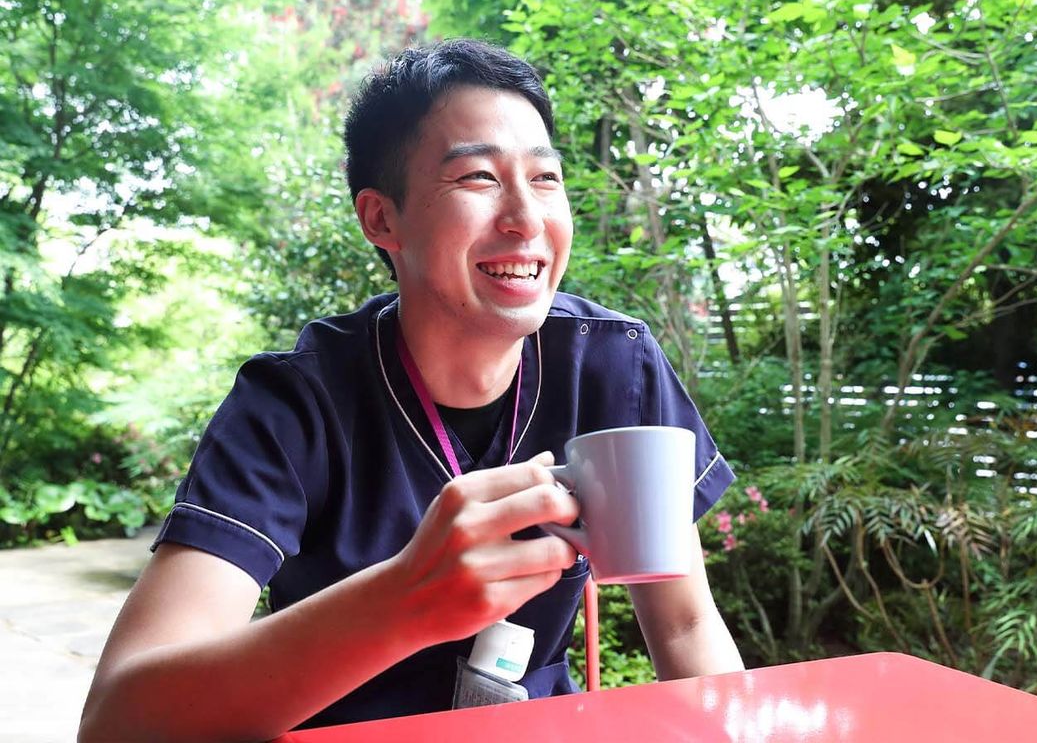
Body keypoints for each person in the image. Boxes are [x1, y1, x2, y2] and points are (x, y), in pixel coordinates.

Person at [79, 39, 743, 742]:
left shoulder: (611, 367)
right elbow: (120, 720)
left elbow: (686, 625)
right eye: (478, 177)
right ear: (381, 218)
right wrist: (404, 601)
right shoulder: (295, 404)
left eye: (545, 178)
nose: (526, 218)